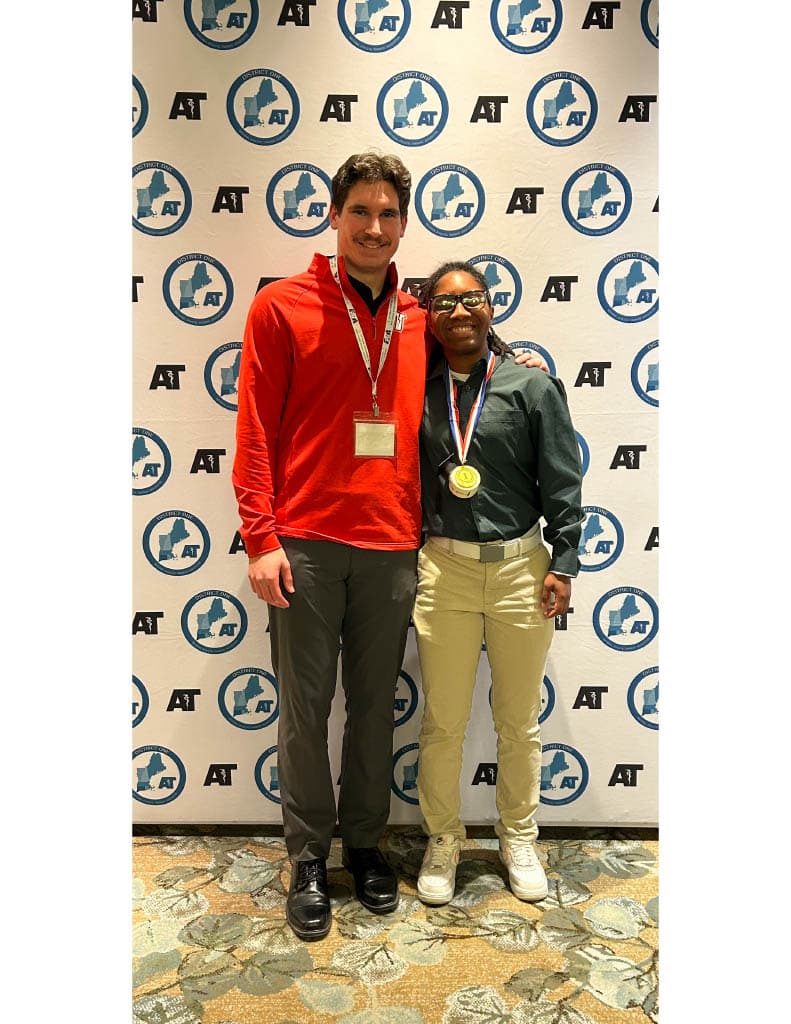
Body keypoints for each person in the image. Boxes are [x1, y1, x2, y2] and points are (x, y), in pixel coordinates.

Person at [233, 152, 546, 942]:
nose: (374, 227)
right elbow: (255, 430)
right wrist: (260, 536)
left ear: (403, 223)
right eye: (359, 212)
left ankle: (365, 844)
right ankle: (308, 858)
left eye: (388, 214)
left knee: (373, 709)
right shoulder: (281, 306)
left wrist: (516, 356)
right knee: (305, 711)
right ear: (333, 217)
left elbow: (472, 347)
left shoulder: (416, 316)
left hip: (392, 543)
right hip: (302, 542)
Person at [412, 260, 583, 906]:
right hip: (443, 569)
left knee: (517, 721)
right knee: (443, 721)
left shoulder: (531, 388)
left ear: (491, 308)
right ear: (427, 316)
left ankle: (518, 835)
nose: (459, 313)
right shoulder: (417, 390)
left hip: (520, 570)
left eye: (471, 300)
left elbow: (562, 481)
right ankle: (443, 839)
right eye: (444, 304)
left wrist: (562, 561)